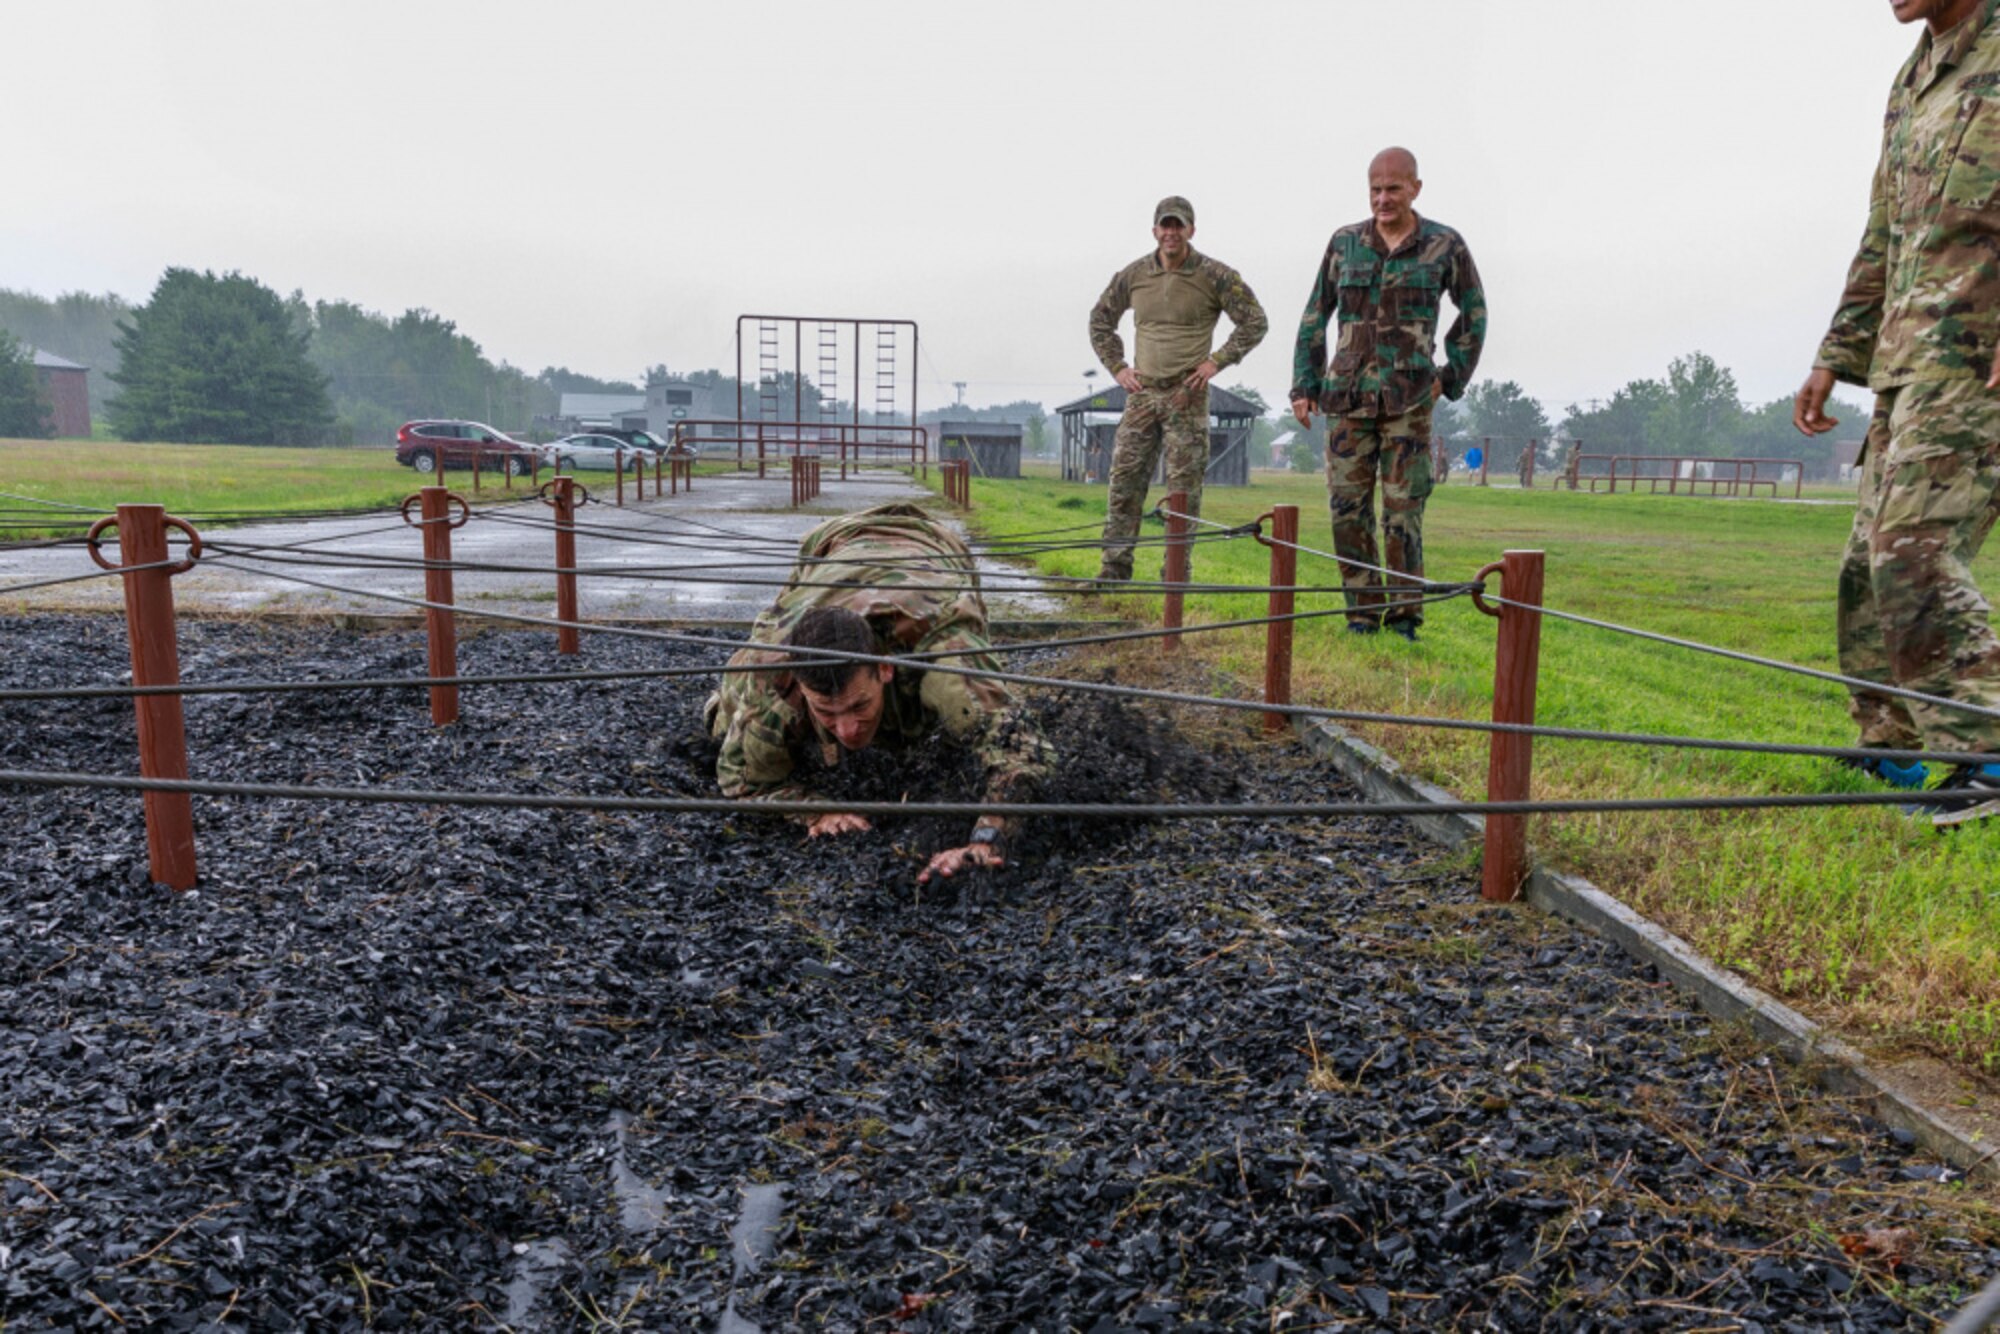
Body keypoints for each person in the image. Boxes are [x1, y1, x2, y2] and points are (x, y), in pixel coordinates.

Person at [1793, 0, 2000, 825]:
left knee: (1912, 550)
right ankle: (1895, 746)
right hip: (1906, 360)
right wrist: (1834, 357)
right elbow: (1885, 233)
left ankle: (1985, 751)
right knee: (1864, 567)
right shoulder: (1915, 75)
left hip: (1980, 364)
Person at [704, 503, 1053, 880]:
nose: (849, 730)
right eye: (827, 712)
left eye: (858, 705)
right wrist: (815, 810)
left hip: (933, 546)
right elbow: (741, 779)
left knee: (972, 714)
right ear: (801, 687)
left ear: (885, 668)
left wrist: (987, 840)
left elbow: (1023, 752)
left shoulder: (943, 654)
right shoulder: (769, 671)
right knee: (724, 722)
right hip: (831, 543)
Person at [1290, 148, 1488, 641]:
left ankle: (1403, 617)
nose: (1383, 198)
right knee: (1346, 510)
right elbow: (1316, 314)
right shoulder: (1344, 244)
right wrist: (1304, 385)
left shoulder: (1445, 246)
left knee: (1403, 512)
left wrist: (1450, 375)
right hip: (1347, 399)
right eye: (1375, 189)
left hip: (1410, 402)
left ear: (1415, 188)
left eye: (1394, 189)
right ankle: (1361, 613)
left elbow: (1475, 313)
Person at [1088, 196, 1268, 584]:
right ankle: (1114, 571)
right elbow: (1100, 320)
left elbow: (1254, 322)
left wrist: (1216, 362)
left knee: (1183, 492)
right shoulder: (1133, 275)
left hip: (1186, 395)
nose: (1171, 233)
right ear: (1155, 231)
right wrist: (1118, 367)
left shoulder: (1215, 275)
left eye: (1179, 226)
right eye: (1165, 226)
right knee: (1124, 483)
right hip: (1141, 394)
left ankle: (1174, 577)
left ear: (1191, 230)